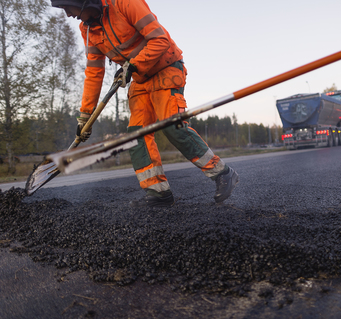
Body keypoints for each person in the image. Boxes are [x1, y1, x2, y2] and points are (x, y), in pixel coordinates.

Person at [51, 0, 238, 207]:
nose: (68, 14)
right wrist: (85, 115)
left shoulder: (125, 4)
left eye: (67, 7)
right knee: (136, 135)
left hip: (165, 68)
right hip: (140, 79)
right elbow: (94, 72)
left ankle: (222, 173)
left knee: (171, 126)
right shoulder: (87, 29)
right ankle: (158, 193)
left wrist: (133, 66)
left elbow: (160, 39)